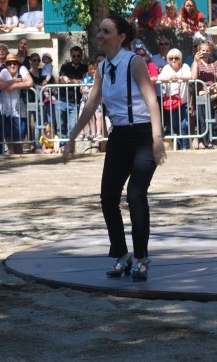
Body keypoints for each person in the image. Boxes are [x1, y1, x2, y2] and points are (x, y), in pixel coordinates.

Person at [63, 15, 166, 282]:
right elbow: (91, 104)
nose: (99, 35)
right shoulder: (103, 67)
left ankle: (142, 258)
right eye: (99, 30)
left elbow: (152, 101)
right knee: (108, 197)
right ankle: (122, 255)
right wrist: (72, 137)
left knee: (135, 195)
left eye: (106, 31)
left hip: (143, 134)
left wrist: (157, 139)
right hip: (119, 136)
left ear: (121, 37)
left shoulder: (134, 62)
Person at [0, 54, 33, 154]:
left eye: (14, 63)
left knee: (19, 139)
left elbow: (29, 82)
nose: (12, 66)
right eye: (9, 63)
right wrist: (13, 81)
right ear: (6, 65)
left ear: (18, 64)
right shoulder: (4, 71)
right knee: (9, 142)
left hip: (19, 109)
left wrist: (14, 86)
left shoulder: (22, 69)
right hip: (5, 109)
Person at [191, 41, 217, 149]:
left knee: (213, 117)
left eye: (207, 50)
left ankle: (210, 141)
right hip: (200, 93)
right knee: (201, 118)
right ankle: (201, 141)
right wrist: (195, 61)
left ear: (210, 52)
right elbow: (194, 78)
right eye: (203, 50)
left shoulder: (214, 63)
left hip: (212, 93)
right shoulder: (196, 63)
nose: (205, 52)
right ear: (198, 51)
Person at [157, 48, 191, 150]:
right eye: (171, 58)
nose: (174, 60)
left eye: (176, 58)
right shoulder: (167, 68)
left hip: (183, 101)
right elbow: (159, 78)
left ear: (180, 58)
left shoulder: (185, 66)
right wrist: (170, 78)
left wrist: (177, 77)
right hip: (171, 102)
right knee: (175, 125)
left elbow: (190, 76)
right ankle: (179, 146)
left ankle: (185, 146)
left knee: (184, 124)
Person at [57, 46, 88, 138]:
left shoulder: (85, 68)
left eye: (78, 56)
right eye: (74, 56)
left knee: (72, 127)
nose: (76, 58)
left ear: (81, 56)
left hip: (75, 102)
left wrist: (70, 80)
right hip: (62, 100)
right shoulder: (65, 66)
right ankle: (62, 147)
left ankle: (70, 148)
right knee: (61, 126)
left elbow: (84, 82)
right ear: (71, 56)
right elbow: (62, 80)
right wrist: (77, 81)